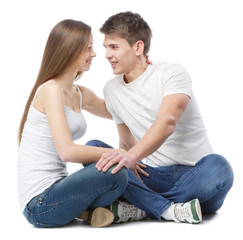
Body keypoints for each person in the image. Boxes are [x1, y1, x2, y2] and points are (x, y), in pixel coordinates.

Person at [90, 11, 234, 224]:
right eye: (106, 48)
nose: (107, 55)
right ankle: (171, 209)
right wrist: (126, 161)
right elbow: (125, 143)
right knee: (94, 149)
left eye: (114, 47)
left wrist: (132, 157)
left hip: (198, 176)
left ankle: (144, 208)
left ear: (138, 47)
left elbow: (168, 122)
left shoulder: (173, 72)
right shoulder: (111, 90)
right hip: (155, 176)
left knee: (220, 166)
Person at [17, 19, 144, 228]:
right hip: (39, 205)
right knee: (117, 172)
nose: (94, 54)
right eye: (88, 48)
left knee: (115, 173)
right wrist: (123, 156)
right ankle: (109, 210)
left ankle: (88, 212)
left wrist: (135, 77)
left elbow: (117, 111)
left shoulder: (78, 93)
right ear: (69, 50)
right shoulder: (50, 90)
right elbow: (67, 152)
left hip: (60, 191)